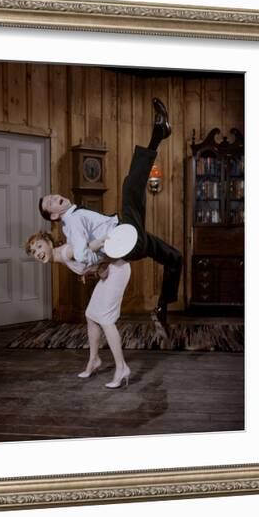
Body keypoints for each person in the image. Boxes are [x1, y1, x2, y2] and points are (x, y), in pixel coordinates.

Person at [38, 98, 182, 337]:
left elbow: (83, 255)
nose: (56, 197)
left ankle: (161, 309)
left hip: (130, 240)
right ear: (54, 215)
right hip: (124, 239)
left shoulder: (74, 216)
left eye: (53, 195)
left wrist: (98, 263)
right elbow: (83, 255)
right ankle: (158, 133)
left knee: (174, 258)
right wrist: (101, 254)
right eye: (51, 202)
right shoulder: (71, 223)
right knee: (130, 187)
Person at [25, 231, 131, 389]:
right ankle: (94, 360)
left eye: (40, 246)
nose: (38, 253)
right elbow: (88, 259)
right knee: (91, 315)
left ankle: (122, 368)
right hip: (110, 271)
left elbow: (99, 252)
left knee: (106, 319)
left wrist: (102, 266)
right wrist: (89, 271)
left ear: (49, 242)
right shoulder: (61, 257)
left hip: (118, 270)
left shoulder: (66, 252)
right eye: (34, 251)